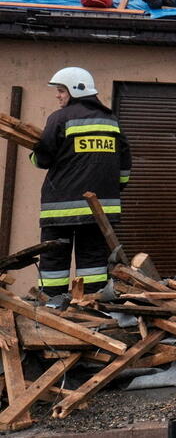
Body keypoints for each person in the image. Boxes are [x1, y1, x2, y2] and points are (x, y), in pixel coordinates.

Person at [29, 68, 131, 296]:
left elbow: (43, 158)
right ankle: (91, 305)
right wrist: (113, 190)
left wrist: (33, 156)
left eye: (61, 91)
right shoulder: (111, 121)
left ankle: (52, 307)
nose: (58, 96)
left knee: (54, 260)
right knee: (94, 261)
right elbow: (124, 168)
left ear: (76, 90)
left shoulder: (59, 119)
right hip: (100, 211)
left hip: (60, 210)